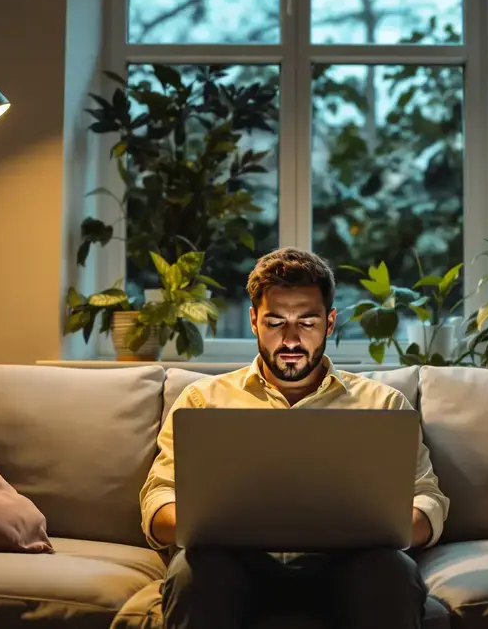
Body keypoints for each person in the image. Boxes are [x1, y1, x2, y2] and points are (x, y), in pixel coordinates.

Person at [138, 247, 450, 629]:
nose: (290, 339)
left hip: (349, 561)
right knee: (194, 572)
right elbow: (159, 498)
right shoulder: (202, 401)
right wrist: (216, 525)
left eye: (306, 322)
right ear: (253, 321)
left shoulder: (383, 403)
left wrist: (380, 526)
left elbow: (427, 497)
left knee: (391, 573)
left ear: (330, 322)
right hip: (233, 562)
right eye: (275, 322)